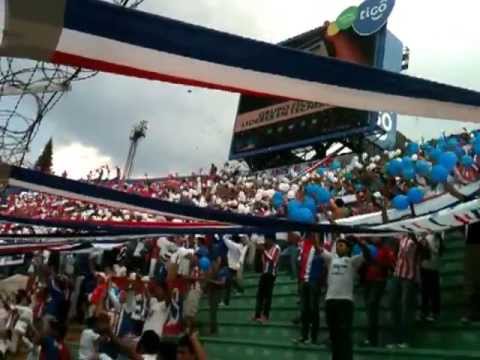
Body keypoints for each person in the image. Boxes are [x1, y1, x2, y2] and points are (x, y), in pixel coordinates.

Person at [321, 236, 370, 360]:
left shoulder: (353, 261)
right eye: (337, 245)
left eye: (342, 245)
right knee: (334, 334)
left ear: (348, 249)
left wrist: (360, 241)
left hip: (345, 301)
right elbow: (318, 248)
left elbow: (367, 255)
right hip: (330, 300)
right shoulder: (331, 259)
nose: (338, 246)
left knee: (345, 334)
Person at [389, 233, 429, 348]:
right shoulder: (401, 237)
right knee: (393, 304)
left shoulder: (420, 237)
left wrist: (415, 240)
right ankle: (395, 339)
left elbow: (426, 254)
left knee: (406, 306)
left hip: (410, 276)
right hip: (397, 273)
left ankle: (406, 339)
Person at [361, 237, 395, 347]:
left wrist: (377, 263)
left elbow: (389, 265)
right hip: (369, 280)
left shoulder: (385, 249)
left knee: (372, 305)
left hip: (379, 281)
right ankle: (371, 337)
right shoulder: (371, 249)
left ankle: (372, 338)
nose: (375, 238)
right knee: (370, 309)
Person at [295, 232, 324, 345]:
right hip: (304, 281)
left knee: (313, 310)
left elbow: (320, 255)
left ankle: (313, 338)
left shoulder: (321, 247)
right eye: (311, 233)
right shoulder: (304, 245)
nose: (312, 235)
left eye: (315, 233)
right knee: (304, 311)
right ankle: (304, 336)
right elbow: (299, 262)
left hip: (314, 281)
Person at [253, 233, 280, 323]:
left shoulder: (276, 247)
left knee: (268, 296)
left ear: (272, 240)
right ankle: (257, 314)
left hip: (271, 274)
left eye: (267, 239)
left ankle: (265, 316)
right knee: (260, 295)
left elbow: (271, 259)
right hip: (264, 273)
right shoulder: (265, 248)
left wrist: (263, 251)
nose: (266, 241)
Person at [421, 233, 442, 322]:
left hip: (433, 267)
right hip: (423, 266)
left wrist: (427, 245)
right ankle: (424, 312)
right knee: (424, 291)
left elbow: (437, 250)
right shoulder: (422, 235)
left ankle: (434, 312)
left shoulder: (437, 236)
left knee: (434, 291)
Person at [462, 223, 480, 323]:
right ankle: (471, 312)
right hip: (471, 243)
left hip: (472, 244)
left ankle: (472, 312)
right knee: (471, 281)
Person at [222, 235, 245, 306]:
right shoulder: (241, 246)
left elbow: (224, 238)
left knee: (228, 283)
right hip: (236, 266)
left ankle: (226, 301)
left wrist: (229, 235)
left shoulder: (233, 245)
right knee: (232, 280)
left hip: (232, 267)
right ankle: (240, 290)